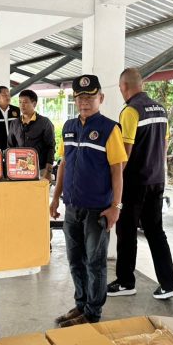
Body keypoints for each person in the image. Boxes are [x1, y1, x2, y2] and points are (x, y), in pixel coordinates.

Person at [50, 74, 127, 327]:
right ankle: (81, 304)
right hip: (72, 207)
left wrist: (116, 207)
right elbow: (63, 164)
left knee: (95, 263)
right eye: (80, 97)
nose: (84, 101)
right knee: (75, 261)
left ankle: (93, 313)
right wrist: (55, 198)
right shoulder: (69, 127)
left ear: (100, 98)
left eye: (90, 97)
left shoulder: (109, 129)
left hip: (97, 210)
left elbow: (117, 170)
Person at [107, 68, 173, 300]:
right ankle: (169, 284)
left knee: (126, 231)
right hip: (156, 180)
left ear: (124, 87)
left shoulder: (131, 111)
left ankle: (125, 282)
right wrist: (159, 171)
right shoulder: (160, 109)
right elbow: (164, 145)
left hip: (135, 182)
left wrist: (114, 183)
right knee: (155, 231)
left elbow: (125, 153)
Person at [7, 89, 55, 180]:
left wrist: (48, 171)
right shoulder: (14, 123)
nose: (22, 105)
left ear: (34, 104)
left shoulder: (45, 122)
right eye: (20, 102)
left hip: (40, 169)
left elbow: (51, 147)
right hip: (19, 169)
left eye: (25, 102)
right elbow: (10, 147)